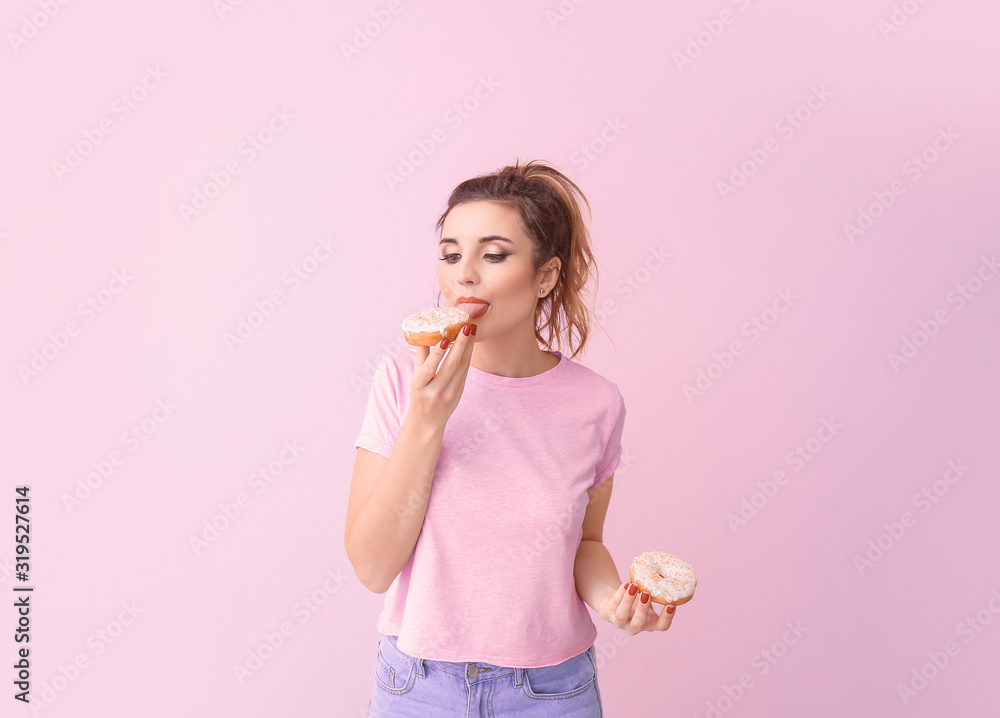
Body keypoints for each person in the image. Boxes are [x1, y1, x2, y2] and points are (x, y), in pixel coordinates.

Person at [345, 159, 676, 717]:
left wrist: (614, 602)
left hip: (551, 692)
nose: (462, 276)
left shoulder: (596, 403)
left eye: (493, 255)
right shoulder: (405, 379)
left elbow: (585, 545)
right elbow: (373, 567)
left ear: (545, 276)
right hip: (419, 688)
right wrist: (428, 420)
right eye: (451, 254)